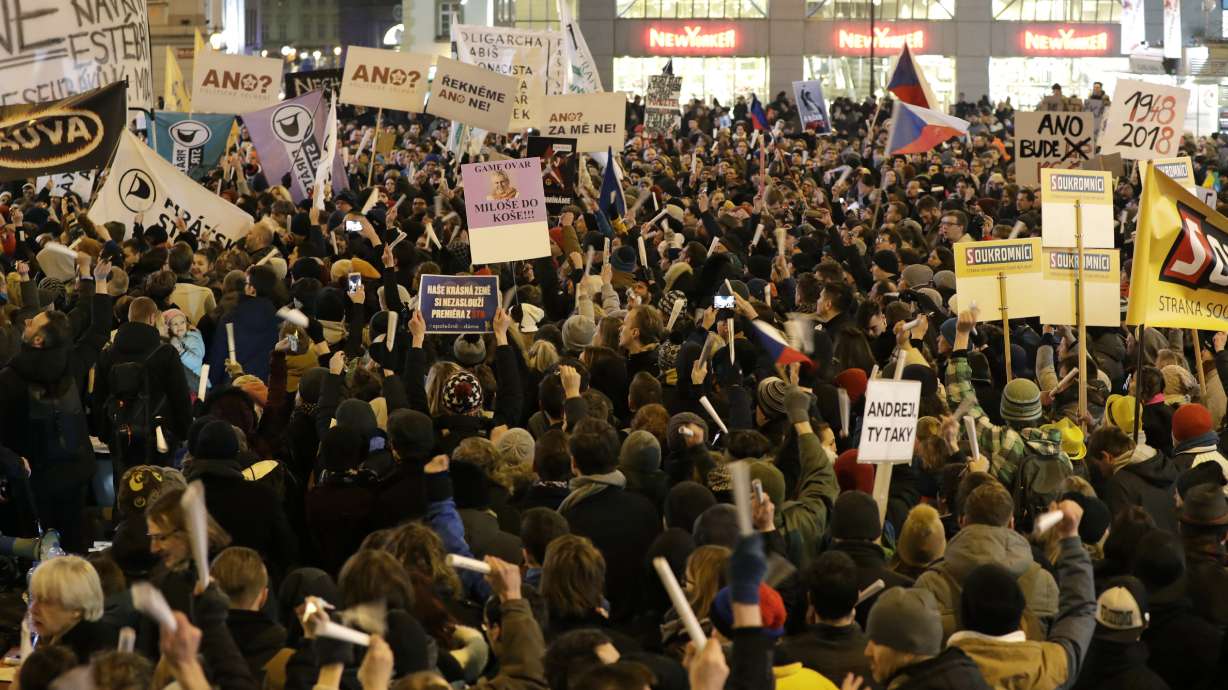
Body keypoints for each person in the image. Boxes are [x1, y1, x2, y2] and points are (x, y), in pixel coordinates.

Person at [27, 556, 116, 661]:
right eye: (33, 598)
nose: (33, 609)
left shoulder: (87, 655)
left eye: (46, 601)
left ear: (77, 608)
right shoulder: (63, 636)